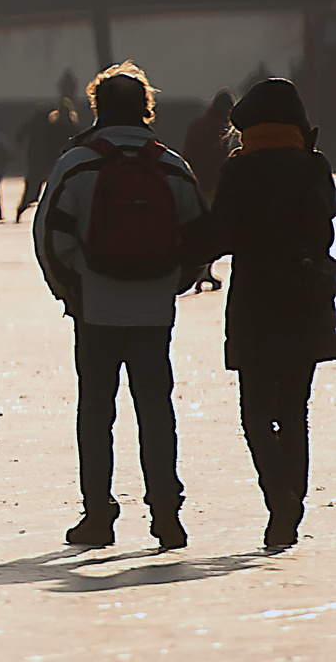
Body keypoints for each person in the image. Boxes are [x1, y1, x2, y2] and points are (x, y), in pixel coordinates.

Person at [33, 62, 206, 550]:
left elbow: (49, 236)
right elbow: (198, 236)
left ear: (97, 107)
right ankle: (167, 514)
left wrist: (73, 290)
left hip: (96, 308)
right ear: (146, 108)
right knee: (156, 409)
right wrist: (172, 284)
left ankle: (98, 513)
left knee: (96, 412)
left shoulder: (78, 163)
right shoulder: (170, 164)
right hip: (153, 310)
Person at [193, 78, 335, 550]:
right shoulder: (315, 167)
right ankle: (290, 506)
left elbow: (222, 236)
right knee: (295, 411)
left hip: (256, 303)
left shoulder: (241, 170)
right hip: (307, 299)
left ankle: (280, 501)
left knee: (255, 412)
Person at [181, 89, 238, 291]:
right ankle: (204, 272)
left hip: (197, 181)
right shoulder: (220, 128)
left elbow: (187, 154)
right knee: (210, 230)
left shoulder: (198, 125)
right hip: (213, 184)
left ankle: (203, 272)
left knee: (201, 228)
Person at [15, 97, 81, 218]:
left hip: (67, 164)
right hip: (51, 164)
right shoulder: (52, 128)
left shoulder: (73, 128)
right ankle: (21, 211)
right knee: (33, 191)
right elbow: (45, 146)